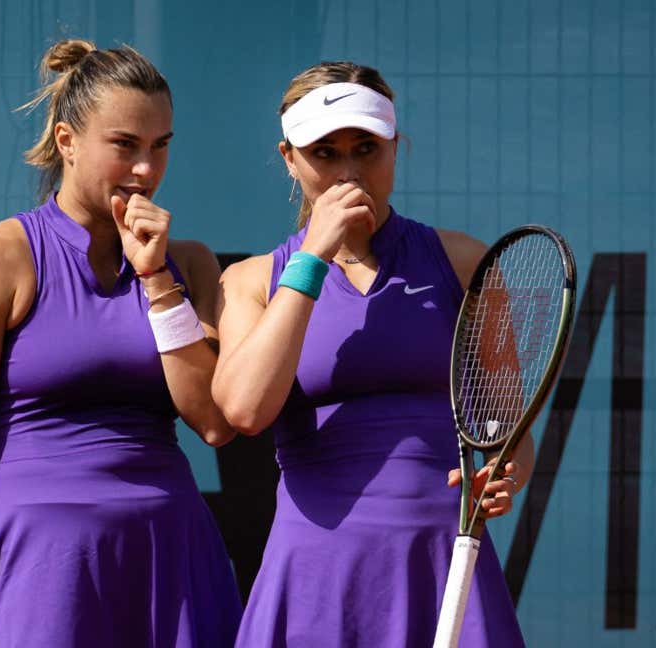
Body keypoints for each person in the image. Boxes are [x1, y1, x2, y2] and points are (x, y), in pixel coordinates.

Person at [0, 38, 242, 648]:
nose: (145, 169)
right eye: (124, 145)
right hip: (46, 574)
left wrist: (155, 280)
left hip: (174, 561)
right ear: (66, 141)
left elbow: (216, 422)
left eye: (159, 146)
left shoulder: (189, 265)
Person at [212, 61, 530, 647]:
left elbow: (508, 431)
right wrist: (314, 257)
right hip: (314, 572)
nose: (349, 170)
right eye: (325, 153)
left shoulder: (464, 262)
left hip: (443, 563)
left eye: (366, 148)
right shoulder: (252, 281)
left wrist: (506, 476)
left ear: (395, 147)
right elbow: (244, 409)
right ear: (289, 158)